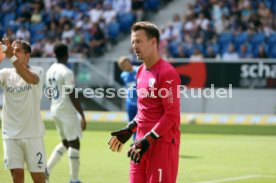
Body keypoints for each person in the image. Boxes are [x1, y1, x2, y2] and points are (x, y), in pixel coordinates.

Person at [108, 21, 181, 183]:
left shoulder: (168, 73)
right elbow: (143, 111)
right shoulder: (140, 71)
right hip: (140, 143)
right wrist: (130, 128)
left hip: (162, 144)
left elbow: (171, 114)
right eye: (133, 42)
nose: (134, 46)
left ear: (153, 42)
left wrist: (149, 138)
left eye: (139, 41)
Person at [0, 38, 46, 183]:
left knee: (38, 178)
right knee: (17, 176)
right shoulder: (5, 74)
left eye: (17, 50)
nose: (13, 52)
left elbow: (30, 78)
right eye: (12, 49)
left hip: (33, 134)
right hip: (10, 134)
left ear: (27, 56)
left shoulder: (37, 71)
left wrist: (11, 57)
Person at [45, 43, 87, 183]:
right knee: (74, 143)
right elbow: (72, 94)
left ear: (54, 54)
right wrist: (82, 115)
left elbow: (50, 93)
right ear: (67, 54)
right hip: (66, 111)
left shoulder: (50, 70)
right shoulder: (66, 71)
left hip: (55, 109)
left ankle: (46, 170)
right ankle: (74, 179)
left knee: (65, 142)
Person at [117, 56, 138, 140]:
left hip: (140, 102)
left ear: (129, 62)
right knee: (131, 124)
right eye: (121, 66)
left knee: (142, 123)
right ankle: (134, 142)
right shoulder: (123, 75)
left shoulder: (139, 70)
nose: (122, 67)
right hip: (130, 102)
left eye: (124, 64)